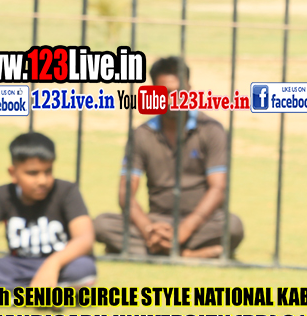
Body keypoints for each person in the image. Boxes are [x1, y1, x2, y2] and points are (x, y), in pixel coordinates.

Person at [93, 56, 243, 258]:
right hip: (157, 221)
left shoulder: (211, 130)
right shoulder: (142, 135)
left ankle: (152, 251)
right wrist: (148, 230)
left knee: (232, 226)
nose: (173, 99)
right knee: (101, 224)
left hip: (201, 222)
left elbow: (218, 189)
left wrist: (184, 230)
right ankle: (189, 254)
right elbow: (125, 192)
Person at [0, 132, 95, 307]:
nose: (42, 180)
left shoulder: (67, 191)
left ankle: (7, 294)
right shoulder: (1, 194)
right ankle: (38, 294)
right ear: (13, 173)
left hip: (59, 265)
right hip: (15, 267)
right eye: (32, 173)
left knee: (84, 267)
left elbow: (85, 238)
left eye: (48, 171)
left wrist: (53, 264)